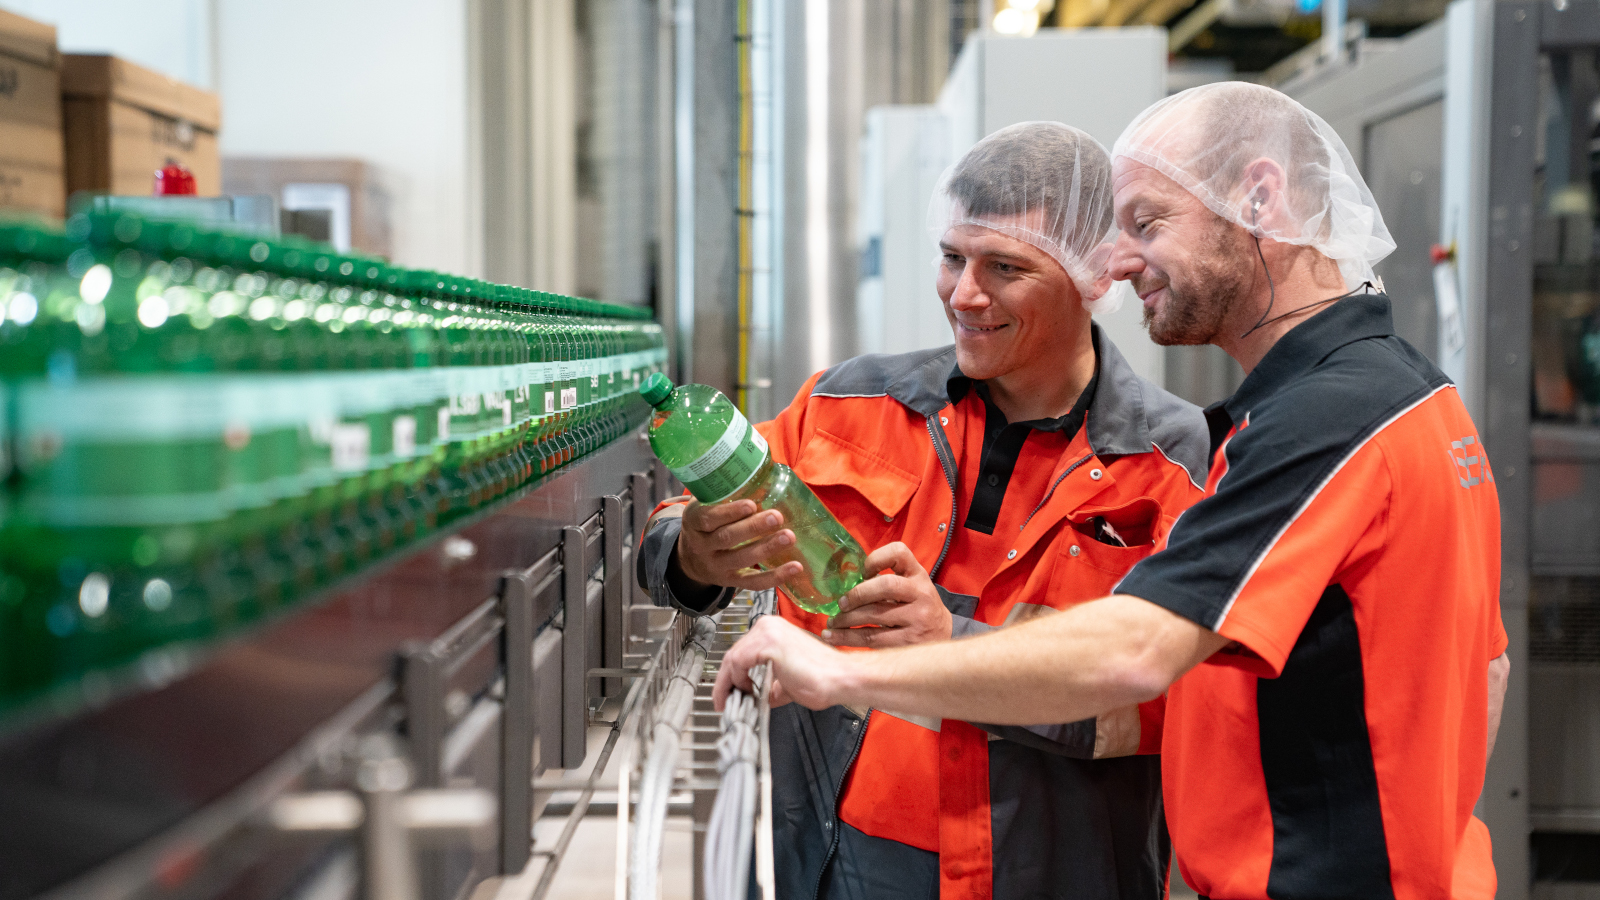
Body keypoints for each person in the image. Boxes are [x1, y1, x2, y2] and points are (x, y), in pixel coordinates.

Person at [714, 82, 1511, 900]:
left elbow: (1138, 649)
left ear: (1261, 197)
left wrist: (842, 673)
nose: (1120, 262)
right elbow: (1487, 671)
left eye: (1148, 223)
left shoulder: (1326, 422)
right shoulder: (1417, 398)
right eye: (953, 259)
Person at [636, 123, 1208, 900]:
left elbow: (1176, 705)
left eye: (1005, 267)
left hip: (1044, 874)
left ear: (1094, 274)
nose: (964, 295)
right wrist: (692, 556)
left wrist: (951, 643)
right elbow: (670, 529)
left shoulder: (1168, 462)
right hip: (822, 862)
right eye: (952, 258)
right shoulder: (852, 402)